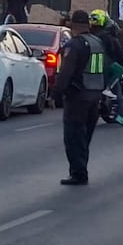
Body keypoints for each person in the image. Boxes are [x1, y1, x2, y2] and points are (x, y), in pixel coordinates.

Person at [51, 10, 105, 186]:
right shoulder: (98, 42)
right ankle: (81, 169)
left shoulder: (75, 45)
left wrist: (56, 93)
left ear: (72, 25)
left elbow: (67, 71)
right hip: (95, 95)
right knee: (85, 136)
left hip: (78, 96)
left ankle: (78, 173)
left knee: (74, 136)